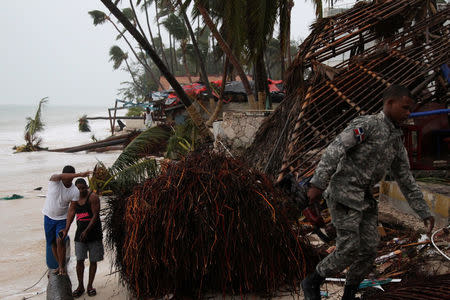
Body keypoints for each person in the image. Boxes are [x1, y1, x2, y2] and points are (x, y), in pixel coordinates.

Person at [301, 85, 435, 300]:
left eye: (410, 109)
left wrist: (423, 211)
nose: (408, 113)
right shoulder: (367, 125)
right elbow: (335, 150)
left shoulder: (395, 139)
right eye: (405, 107)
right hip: (343, 195)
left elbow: (405, 178)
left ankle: (349, 294)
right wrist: (317, 184)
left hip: (364, 199)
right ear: (389, 103)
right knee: (348, 249)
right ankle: (311, 282)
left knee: (369, 251)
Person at [42, 166, 90, 275]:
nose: (66, 179)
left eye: (69, 177)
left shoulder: (74, 191)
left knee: (60, 240)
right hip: (48, 216)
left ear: (72, 178)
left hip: (62, 219)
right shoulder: (54, 180)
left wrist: (67, 228)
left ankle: (62, 267)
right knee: (52, 242)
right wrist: (80, 174)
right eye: (65, 176)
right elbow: (59, 176)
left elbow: (72, 210)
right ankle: (59, 265)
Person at [61, 178, 104, 298]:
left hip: (94, 234)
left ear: (87, 186)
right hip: (80, 234)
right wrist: (66, 229)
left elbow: (95, 215)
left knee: (93, 260)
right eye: (78, 188)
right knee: (79, 260)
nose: (81, 190)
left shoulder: (93, 197)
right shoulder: (74, 199)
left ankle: (90, 285)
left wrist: (87, 230)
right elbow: (71, 213)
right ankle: (80, 286)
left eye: (83, 188)